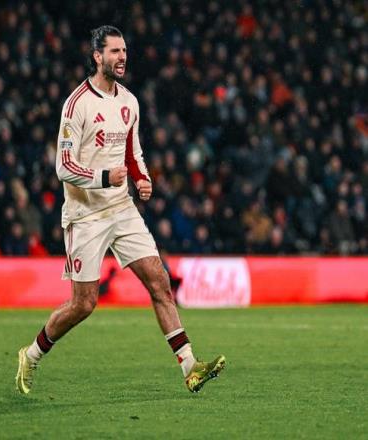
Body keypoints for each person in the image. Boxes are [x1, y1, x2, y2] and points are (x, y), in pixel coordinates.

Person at [16, 25, 225, 394]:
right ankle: (31, 355)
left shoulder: (130, 102)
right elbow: (63, 166)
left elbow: (133, 153)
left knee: (159, 282)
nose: (122, 57)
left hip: (121, 209)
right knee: (83, 304)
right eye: (114, 51)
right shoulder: (77, 104)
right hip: (85, 215)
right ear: (97, 56)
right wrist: (103, 177)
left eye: (124, 50)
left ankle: (190, 366)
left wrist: (142, 179)